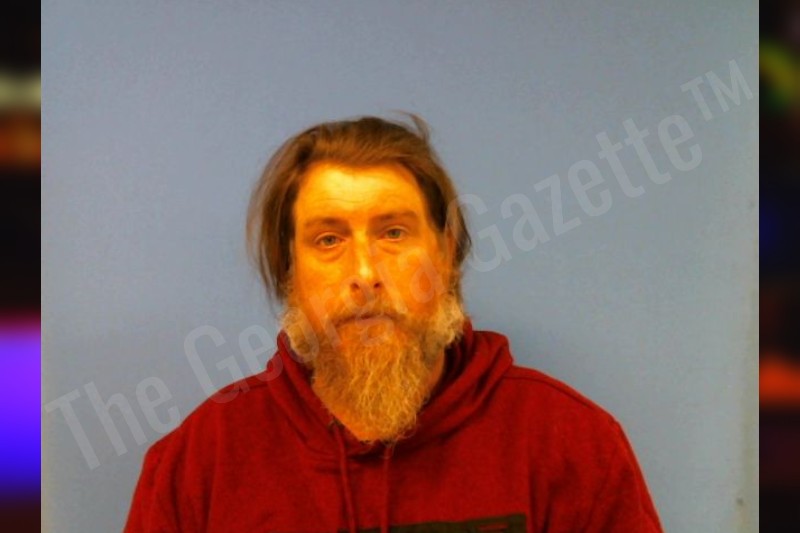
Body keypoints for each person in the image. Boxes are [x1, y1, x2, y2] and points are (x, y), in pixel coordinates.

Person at [124, 114, 663, 532]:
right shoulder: (200, 463)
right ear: (291, 271)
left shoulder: (572, 445)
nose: (365, 274)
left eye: (394, 233)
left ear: (446, 255)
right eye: (328, 239)